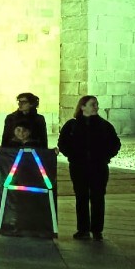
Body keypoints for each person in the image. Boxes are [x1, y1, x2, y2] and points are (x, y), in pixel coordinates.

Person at [57, 95, 121, 241]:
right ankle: (83, 229)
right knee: (81, 197)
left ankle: (97, 230)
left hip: (99, 166)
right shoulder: (71, 125)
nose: (96, 107)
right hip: (78, 166)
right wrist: (72, 156)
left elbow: (115, 144)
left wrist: (105, 157)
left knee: (98, 198)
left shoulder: (105, 125)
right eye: (93, 104)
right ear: (82, 107)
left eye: (96, 104)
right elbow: (63, 143)